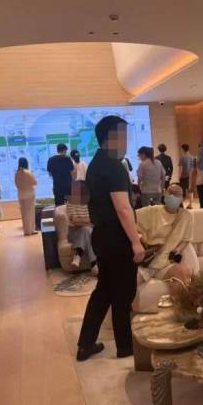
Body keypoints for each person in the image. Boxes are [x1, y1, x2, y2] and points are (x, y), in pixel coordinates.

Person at [77, 116, 145, 361]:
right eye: (124, 136)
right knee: (123, 293)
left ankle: (85, 344)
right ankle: (125, 347)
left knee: (104, 291)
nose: (127, 141)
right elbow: (122, 208)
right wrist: (135, 241)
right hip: (117, 238)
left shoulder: (95, 164)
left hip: (102, 236)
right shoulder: (114, 166)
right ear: (111, 138)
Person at [135, 184, 194, 290]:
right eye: (170, 193)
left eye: (176, 194)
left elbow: (186, 240)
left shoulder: (186, 216)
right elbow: (130, 218)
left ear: (181, 198)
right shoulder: (152, 211)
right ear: (165, 194)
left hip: (166, 262)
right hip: (148, 261)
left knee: (183, 276)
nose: (173, 196)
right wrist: (140, 237)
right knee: (127, 285)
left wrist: (178, 250)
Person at [66, 180, 96, 270]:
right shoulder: (70, 203)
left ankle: (78, 255)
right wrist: (88, 221)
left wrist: (82, 221)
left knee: (86, 230)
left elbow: (95, 220)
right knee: (87, 230)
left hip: (90, 230)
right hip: (73, 232)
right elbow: (75, 221)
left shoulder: (91, 203)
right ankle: (94, 264)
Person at [14, 157, 37, 236]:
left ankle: (26, 230)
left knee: (23, 213)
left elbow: (16, 184)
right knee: (30, 213)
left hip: (20, 194)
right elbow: (35, 182)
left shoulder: (16, 173)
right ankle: (31, 230)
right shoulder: (28, 172)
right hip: (29, 194)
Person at [177, 144, 195, 209]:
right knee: (190, 191)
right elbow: (193, 167)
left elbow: (180, 168)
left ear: (182, 149)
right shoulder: (192, 157)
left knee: (182, 191)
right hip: (190, 176)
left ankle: (181, 205)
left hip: (183, 177)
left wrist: (179, 177)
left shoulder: (182, 158)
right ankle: (190, 204)